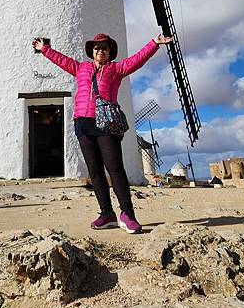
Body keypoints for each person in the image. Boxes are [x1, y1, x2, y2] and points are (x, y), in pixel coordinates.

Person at [32, 32, 172, 234]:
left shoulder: (116, 69)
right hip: (83, 122)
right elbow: (61, 60)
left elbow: (137, 59)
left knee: (115, 168)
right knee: (95, 171)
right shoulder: (81, 68)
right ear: (92, 51)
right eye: (97, 48)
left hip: (106, 124)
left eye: (104, 48)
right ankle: (107, 213)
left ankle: (127, 214)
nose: (100, 51)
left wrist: (154, 43)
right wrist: (44, 49)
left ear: (109, 52)